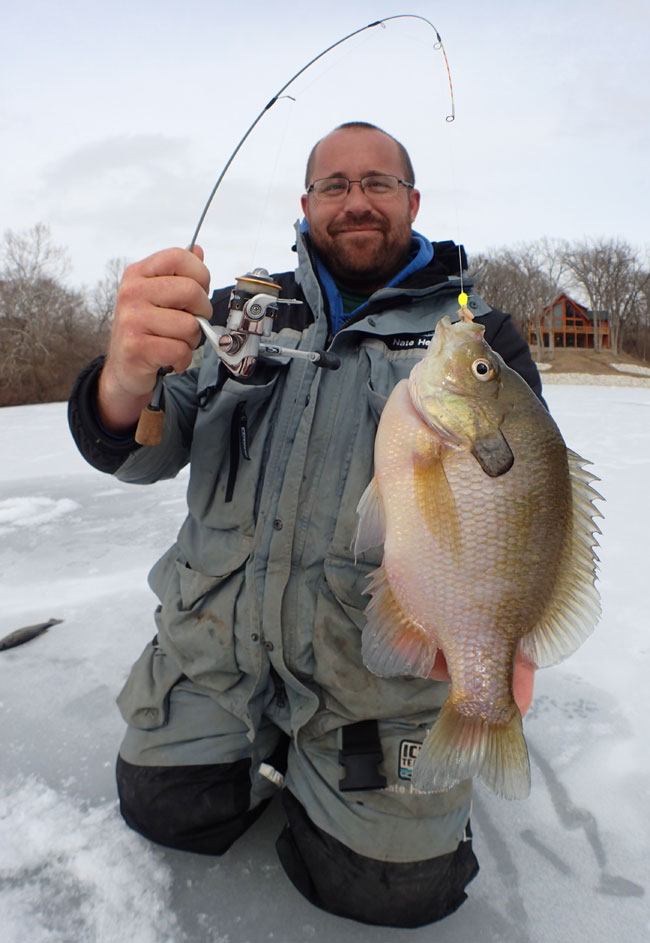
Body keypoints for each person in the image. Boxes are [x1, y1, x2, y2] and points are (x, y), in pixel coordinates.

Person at [68, 121, 539, 928]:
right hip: (221, 653)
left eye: (378, 183)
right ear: (307, 203)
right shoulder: (239, 312)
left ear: (412, 200)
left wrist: (510, 628)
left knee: (391, 891)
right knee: (162, 807)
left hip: (373, 678)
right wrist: (122, 374)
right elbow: (145, 446)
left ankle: (352, 776)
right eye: (335, 185)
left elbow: (521, 496)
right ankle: (266, 748)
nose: (356, 201)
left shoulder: (475, 337)